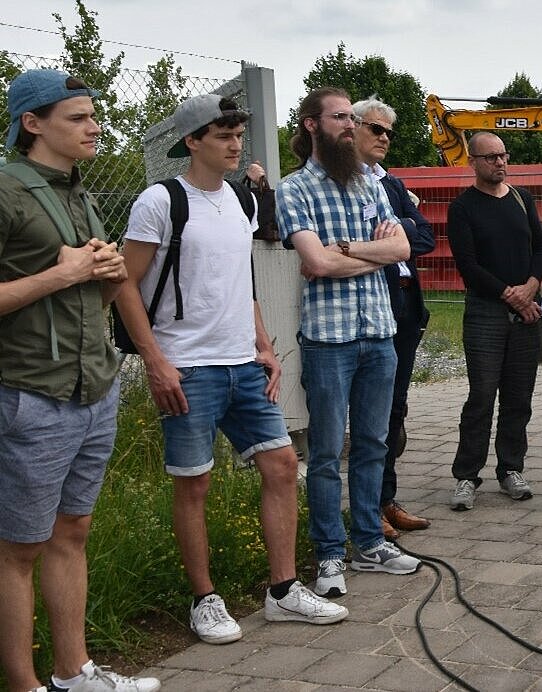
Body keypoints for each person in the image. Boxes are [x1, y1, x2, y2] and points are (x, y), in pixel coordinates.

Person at [115, 94, 350, 645]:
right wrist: (155, 361)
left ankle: (283, 590)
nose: (234, 143)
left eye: (238, 134)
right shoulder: (160, 201)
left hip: (242, 363)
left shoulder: (242, 200)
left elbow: (237, 281)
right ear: (192, 141)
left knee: (282, 465)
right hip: (187, 367)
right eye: (222, 134)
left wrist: (263, 344)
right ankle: (205, 599)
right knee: (193, 483)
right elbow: (123, 282)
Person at [0, 69, 160, 692]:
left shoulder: (80, 193)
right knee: (17, 549)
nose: (95, 127)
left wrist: (103, 270)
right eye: (78, 118)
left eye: (94, 116)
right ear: (32, 123)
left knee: (72, 532)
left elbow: (85, 290)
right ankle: (22, 684)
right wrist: (62, 275)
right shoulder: (7, 191)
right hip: (29, 394)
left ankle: (74, 673)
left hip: (94, 389)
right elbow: (47, 283)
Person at [276, 86, 420, 599]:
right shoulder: (294, 189)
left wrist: (350, 248)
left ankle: (369, 544)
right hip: (329, 340)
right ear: (313, 125)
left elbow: (403, 245)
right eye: (340, 116)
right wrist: (373, 253)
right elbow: (314, 263)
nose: (350, 124)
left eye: (351, 117)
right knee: (326, 451)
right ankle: (330, 555)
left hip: (380, 332)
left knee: (373, 444)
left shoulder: (369, 183)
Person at [446, 132, 542, 510]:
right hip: (486, 313)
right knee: (482, 397)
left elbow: (541, 246)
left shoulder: (522, 199)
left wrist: (530, 288)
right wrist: (512, 295)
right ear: (472, 162)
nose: (499, 163)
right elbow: (468, 266)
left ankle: (511, 469)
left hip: (527, 312)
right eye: (490, 158)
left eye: (503, 156)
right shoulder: (463, 208)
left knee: (519, 397)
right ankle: (467, 476)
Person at [350, 97, 435, 540]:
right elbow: (355, 243)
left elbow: (425, 237)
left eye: (388, 132)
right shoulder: (343, 184)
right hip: (370, 303)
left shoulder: (393, 183)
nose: (384, 138)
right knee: (370, 414)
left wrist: (398, 226)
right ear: (352, 129)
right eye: (375, 129)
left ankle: (386, 499)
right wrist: (394, 236)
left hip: (405, 303)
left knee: (395, 409)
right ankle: (366, 509)